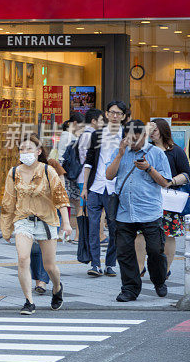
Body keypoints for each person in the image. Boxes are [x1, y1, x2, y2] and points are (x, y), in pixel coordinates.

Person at [0, 134, 71, 315]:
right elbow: (8, 201)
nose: (25, 152)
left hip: (46, 221)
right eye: (22, 149)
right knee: (23, 258)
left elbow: (60, 196)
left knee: (49, 266)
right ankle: (28, 301)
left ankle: (56, 287)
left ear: (39, 151)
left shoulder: (48, 171)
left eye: (29, 148)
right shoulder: (14, 172)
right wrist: (6, 228)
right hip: (23, 220)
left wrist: (66, 224)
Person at [105, 120, 171, 302]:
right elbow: (109, 175)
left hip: (150, 211)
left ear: (145, 136)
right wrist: (119, 154)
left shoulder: (157, 154)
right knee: (124, 252)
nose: (133, 142)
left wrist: (149, 169)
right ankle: (130, 289)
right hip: (124, 212)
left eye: (137, 138)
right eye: (129, 138)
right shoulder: (120, 152)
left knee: (155, 250)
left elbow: (165, 182)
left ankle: (159, 281)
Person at [138, 118, 189, 277]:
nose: (152, 133)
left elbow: (187, 174)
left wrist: (171, 181)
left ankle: (165, 270)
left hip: (169, 201)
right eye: (150, 130)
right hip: (147, 198)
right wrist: (144, 134)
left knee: (169, 234)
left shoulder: (175, 151)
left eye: (154, 129)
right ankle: (139, 268)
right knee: (140, 232)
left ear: (163, 130)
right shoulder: (146, 149)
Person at [81, 101, 127, 277]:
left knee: (114, 227)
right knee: (93, 227)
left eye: (119, 113)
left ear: (123, 116)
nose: (115, 116)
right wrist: (85, 186)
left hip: (115, 189)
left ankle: (110, 263)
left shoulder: (126, 135)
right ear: (106, 114)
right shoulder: (97, 135)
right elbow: (89, 161)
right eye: (112, 112)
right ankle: (95, 264)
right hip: (96, 186)